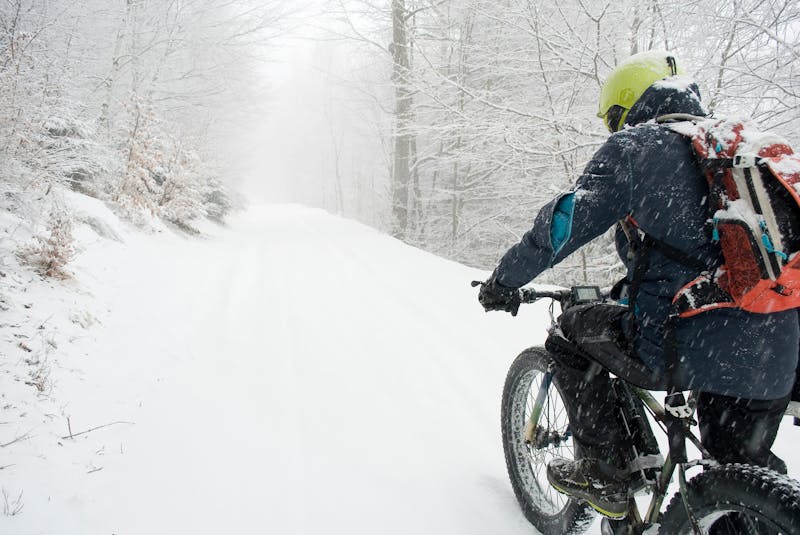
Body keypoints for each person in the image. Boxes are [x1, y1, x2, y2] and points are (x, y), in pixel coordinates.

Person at [477, 50, 798, 519]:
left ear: (627, 106)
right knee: (736, 480)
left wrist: (504, 280)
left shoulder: (638, 147)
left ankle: (605, 471)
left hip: (685, 345)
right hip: (777, 344)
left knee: (569, 331)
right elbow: (707, 260)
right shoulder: (735, 152)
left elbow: (563, 224)